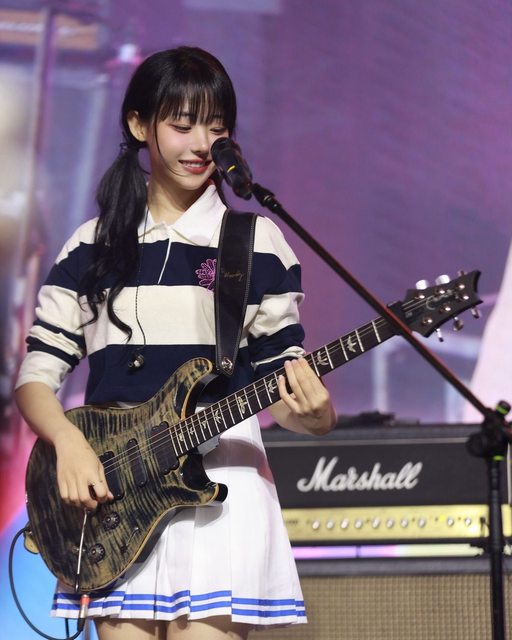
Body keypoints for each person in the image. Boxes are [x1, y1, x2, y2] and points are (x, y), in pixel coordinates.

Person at [14, 46, 336, 640]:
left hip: (222, 491)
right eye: (182, 125)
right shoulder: (91, 244)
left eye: (216, 128)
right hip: (116, 492)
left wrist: (314, 416)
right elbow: (36, 376)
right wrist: (68, 443)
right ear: (140, 125)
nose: (200, 145)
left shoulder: (255, 240)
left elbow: (285, 387)